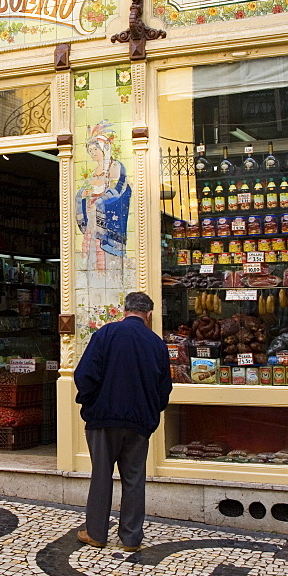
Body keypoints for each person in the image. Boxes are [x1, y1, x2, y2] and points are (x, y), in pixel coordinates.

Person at [73, 291, 172, 552]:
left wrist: (89, 403)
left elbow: (84, 375)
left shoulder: (105, 334)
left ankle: (96, 533)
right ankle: (130, 538)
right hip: (139, 422)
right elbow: (164, 389)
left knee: (101, 476)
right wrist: (151, 412)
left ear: (124, 310)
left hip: (103, 419)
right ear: (148, 315)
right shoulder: (156, 343)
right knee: (134, 479)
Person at [76, 121, 131, 273]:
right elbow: (83, 191)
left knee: (103, 249)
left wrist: (100, 201)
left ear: (104, 148)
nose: (93, 152)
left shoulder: (114, 166)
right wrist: (82, 194)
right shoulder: (94, 171)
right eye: (90, 150)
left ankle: (104, 275)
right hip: (93, 215)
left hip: (105, 215)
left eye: (95, 149)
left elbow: (118, 189)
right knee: (91, 246)